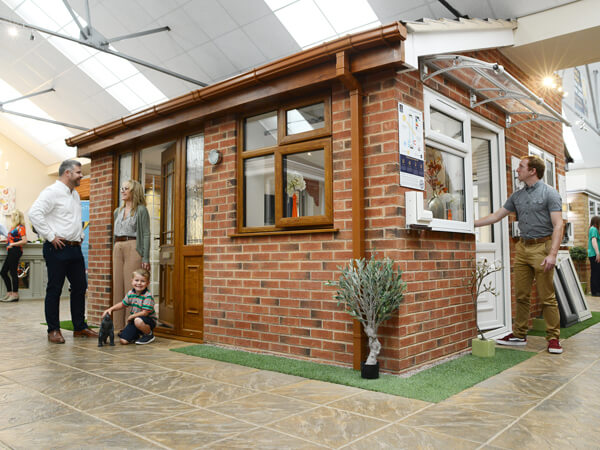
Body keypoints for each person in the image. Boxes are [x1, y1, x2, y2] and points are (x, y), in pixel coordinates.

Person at [474, 155, 564, 354]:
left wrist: (553, 254)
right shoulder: (517, 196)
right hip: (523, 248)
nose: (517, 170)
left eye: (521, 167)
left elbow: (558, 225)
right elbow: (496, 216)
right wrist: (470, 223)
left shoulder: (550, 193)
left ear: (532, 171)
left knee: (547, 296)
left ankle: (554, 338)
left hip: (543, 247)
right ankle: (519, 334)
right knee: (521, 295)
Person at [29, 159, 98, 344]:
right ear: (67, 173)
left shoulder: (74, 194)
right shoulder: (51, 192)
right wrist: (51, 236)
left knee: (80, 287)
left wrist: (80, 234)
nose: (81, 175)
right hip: (56, 248)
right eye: (78, 172)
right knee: (55, 289)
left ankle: (79, 327)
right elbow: (34, 213)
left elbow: (71, 219)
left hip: (75, 248)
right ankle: (53, 330)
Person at [112, 179, 151, 332]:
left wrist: (146, 257)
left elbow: (146, 234)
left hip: (133, 246)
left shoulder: (141, 210)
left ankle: (131, 327)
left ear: (134, 191)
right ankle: (117, 326)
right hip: (118, 247)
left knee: (131, 288)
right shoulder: (117, 211)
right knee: (118, 287)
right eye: (122, 188)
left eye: (126, 188)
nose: (122, 191)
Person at [102, 268, 156, 345]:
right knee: (123, 341)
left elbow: (145, 313)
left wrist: (132, 316)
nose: (139, 283)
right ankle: (135, 334)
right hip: (135, 320)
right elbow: (122, 304)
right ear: (132, 281)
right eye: (136, 280)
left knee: (138, 320)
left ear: (147, 283)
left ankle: (149, 334)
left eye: (142, 281)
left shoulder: (148, 296)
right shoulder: (131, 293)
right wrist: (110, 309)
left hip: (147, 320)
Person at [1, 210, 27, 302]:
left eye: (12, 216)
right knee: (3, 272)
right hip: (11, 251)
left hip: (15, 251)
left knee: (13, 273)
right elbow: (12, 238)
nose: (11, 218)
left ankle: (15, 294)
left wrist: (12, 244)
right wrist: (6, 241)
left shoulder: (21, 227)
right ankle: (9, 293)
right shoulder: (14, 227)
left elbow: (24, 241)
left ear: (16, 217)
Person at [588, 216, 600, 296]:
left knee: (596, 272)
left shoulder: (593, 229)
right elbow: (593, 240)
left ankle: (596, 290)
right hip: (594, 254)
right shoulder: (593, 229)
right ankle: (595, 291)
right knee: (596, 273)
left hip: (594, 254)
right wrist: (598, 254)